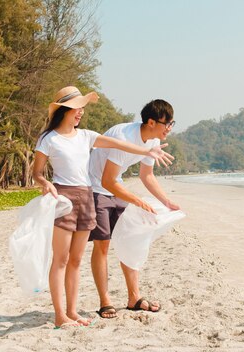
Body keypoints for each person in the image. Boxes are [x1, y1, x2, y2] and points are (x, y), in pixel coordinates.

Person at [32, 87, 173, 329]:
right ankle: (60, 314)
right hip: (66, 197)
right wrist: (44, 183)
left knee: (76, 259)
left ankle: (73, 311)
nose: (81, 113)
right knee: (62, 259)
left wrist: (148, 150)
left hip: (86, 195)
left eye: (82, 108)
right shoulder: (48, 139)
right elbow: (36, 173)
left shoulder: (85, 135)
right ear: (66, 109)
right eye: (78, 108)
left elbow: (120, 145)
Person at [88, 99, 180, 318]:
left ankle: (134, 298)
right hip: (95, 187)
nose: (169, 128)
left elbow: (146, 175)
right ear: (151, 122)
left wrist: (167, 202)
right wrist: (137, 201)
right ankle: (105, 301)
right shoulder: (123, 137)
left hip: (114, 186)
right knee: (103, 245)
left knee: (131, 238)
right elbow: (107, 180)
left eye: (171, 123)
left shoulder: (151, 141)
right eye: (167, 123)